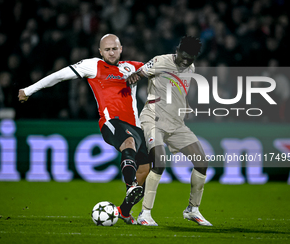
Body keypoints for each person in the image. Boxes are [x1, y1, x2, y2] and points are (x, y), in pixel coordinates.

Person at [18, 34, 150, 225]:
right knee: (127, 143)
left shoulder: (133, 67)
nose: (111, 53)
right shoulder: (93, 65)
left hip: (135, 127)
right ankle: (130, 185)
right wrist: (29, 90)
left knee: (145, 169)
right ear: (100, 51)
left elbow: (159, 66)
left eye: (114, 49)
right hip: (111, 121)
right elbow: (59, 75)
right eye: (107, 49)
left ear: (121, 49)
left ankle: (124, 211)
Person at [127, 36, 212, 226]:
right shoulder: (160, 61)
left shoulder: (191, 69)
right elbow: (139, 73)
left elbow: (180, 91)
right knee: (159, 162)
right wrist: (133, 77)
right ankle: (145, 214)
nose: (185, 61)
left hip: (176, 124)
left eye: (190, 58)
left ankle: (192, 209)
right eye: (183, 56)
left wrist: (186, 106)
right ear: (177, 49)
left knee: (202, 162)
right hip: (153, 119)